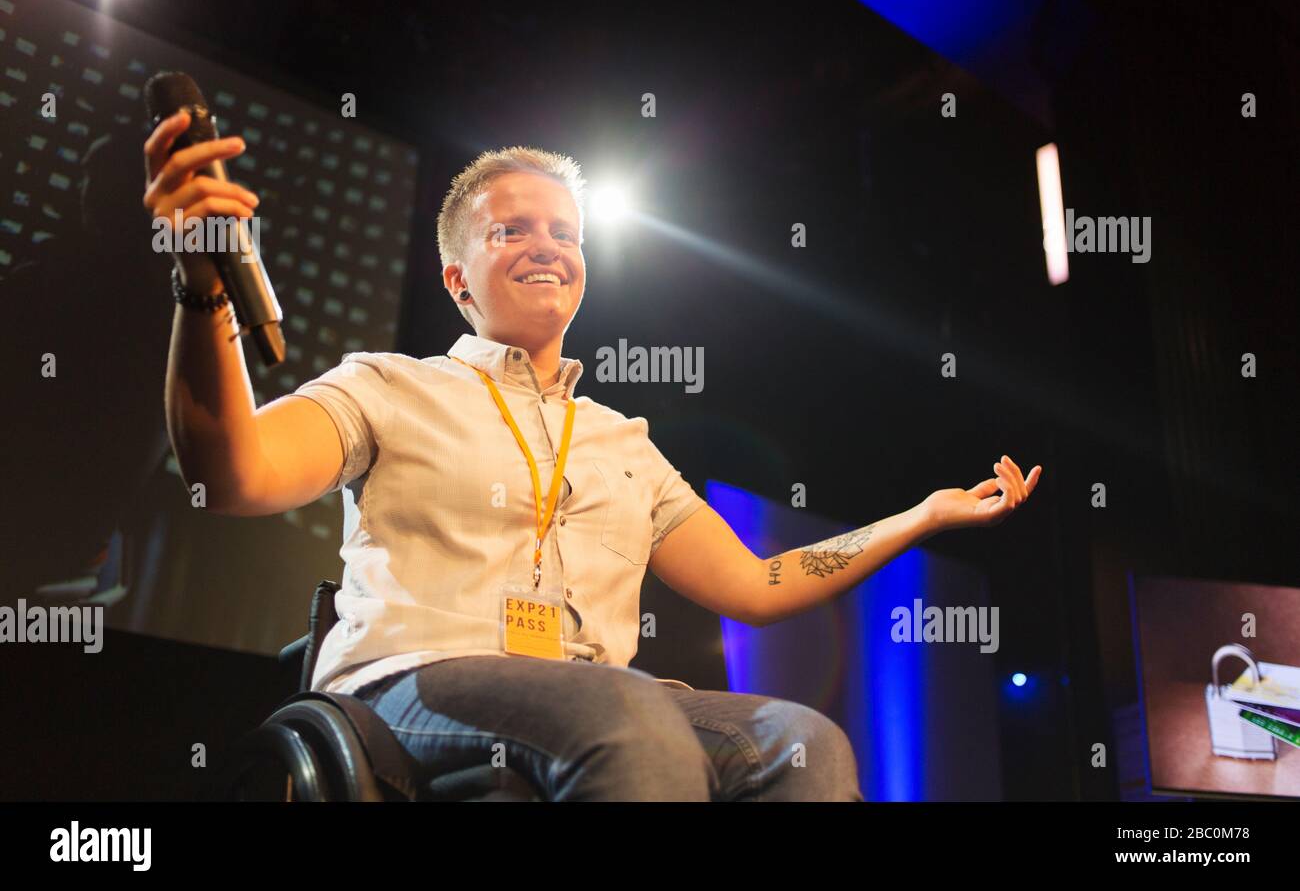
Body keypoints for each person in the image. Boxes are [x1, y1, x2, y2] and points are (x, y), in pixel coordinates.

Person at [144, 110, 1042, 801]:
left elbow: (759, 589)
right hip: (413, 684)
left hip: (597, 696)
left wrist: (920, 516)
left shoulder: (622, 443)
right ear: (458, 278)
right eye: (512, 231)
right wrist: (201, 287)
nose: (547, 247)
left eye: (565, 233)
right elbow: (235, 471)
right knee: (629, 712)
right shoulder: (388, 385)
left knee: (804, 741)